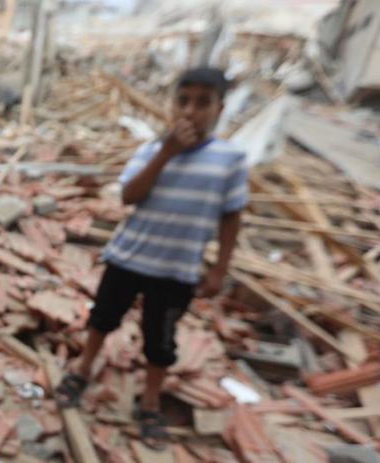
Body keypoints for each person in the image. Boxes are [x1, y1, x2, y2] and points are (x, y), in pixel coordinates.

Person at [52, 67, 248, 450]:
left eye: (203, 103)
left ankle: (150, 401)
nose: (191, 111)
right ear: (172, 104)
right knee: (102, 319)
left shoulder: (231, 159)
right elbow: (128, 196)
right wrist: (166, 152)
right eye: (183, 100)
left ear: (220, 109)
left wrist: (221, 268)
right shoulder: (151, 150)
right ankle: (83, 369)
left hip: (176, 270)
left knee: (160, 341)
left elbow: (232, 215)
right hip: (129, 257)